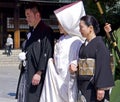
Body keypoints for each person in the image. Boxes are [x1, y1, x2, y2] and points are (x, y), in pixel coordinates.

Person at [40, 1, 85, 102]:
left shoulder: (77, 41)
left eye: (60, 24)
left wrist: (74, 65)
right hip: (57, 78)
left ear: (67, 24)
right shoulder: (61, 40)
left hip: (68, 78)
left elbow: (79, 59)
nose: (58, 26)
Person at [16, 3, 54, 102]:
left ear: (37, 15)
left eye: (28, 15)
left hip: (36, 72)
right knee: (24, 95)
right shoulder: (31, 30)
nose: (26, 18)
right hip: (27, 70)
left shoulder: (46, 30)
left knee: (34, 97)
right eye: (26, 16)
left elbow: (46, 52)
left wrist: (39, 72)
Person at [77, 15, 114, 102]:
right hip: (84, 85)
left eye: (81, 27)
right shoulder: (83, 45)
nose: (79, 30)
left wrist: (101, 87)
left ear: (90, 28)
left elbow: (103, 66)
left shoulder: (99, 45)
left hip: (95, 85)